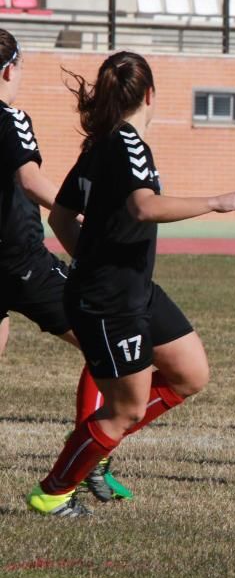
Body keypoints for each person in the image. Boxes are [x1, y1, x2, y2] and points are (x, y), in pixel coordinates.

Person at [26, 50, 235, 517]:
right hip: (111, 299)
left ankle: (99, 442)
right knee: (123, 410)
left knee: (190, 374)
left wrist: (91, 258)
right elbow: (144, 207)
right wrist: (217, 201)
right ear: (151, 94)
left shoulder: (101, 146)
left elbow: (65, 215)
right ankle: (54, 491)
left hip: (133, 288)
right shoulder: (127, 144)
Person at [0, 29, 131, 503]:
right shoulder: (10, 116)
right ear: (10, 69)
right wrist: (81, 211)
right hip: (20, 262)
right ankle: (93, 458)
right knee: (106, 339)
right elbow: (30, 179)